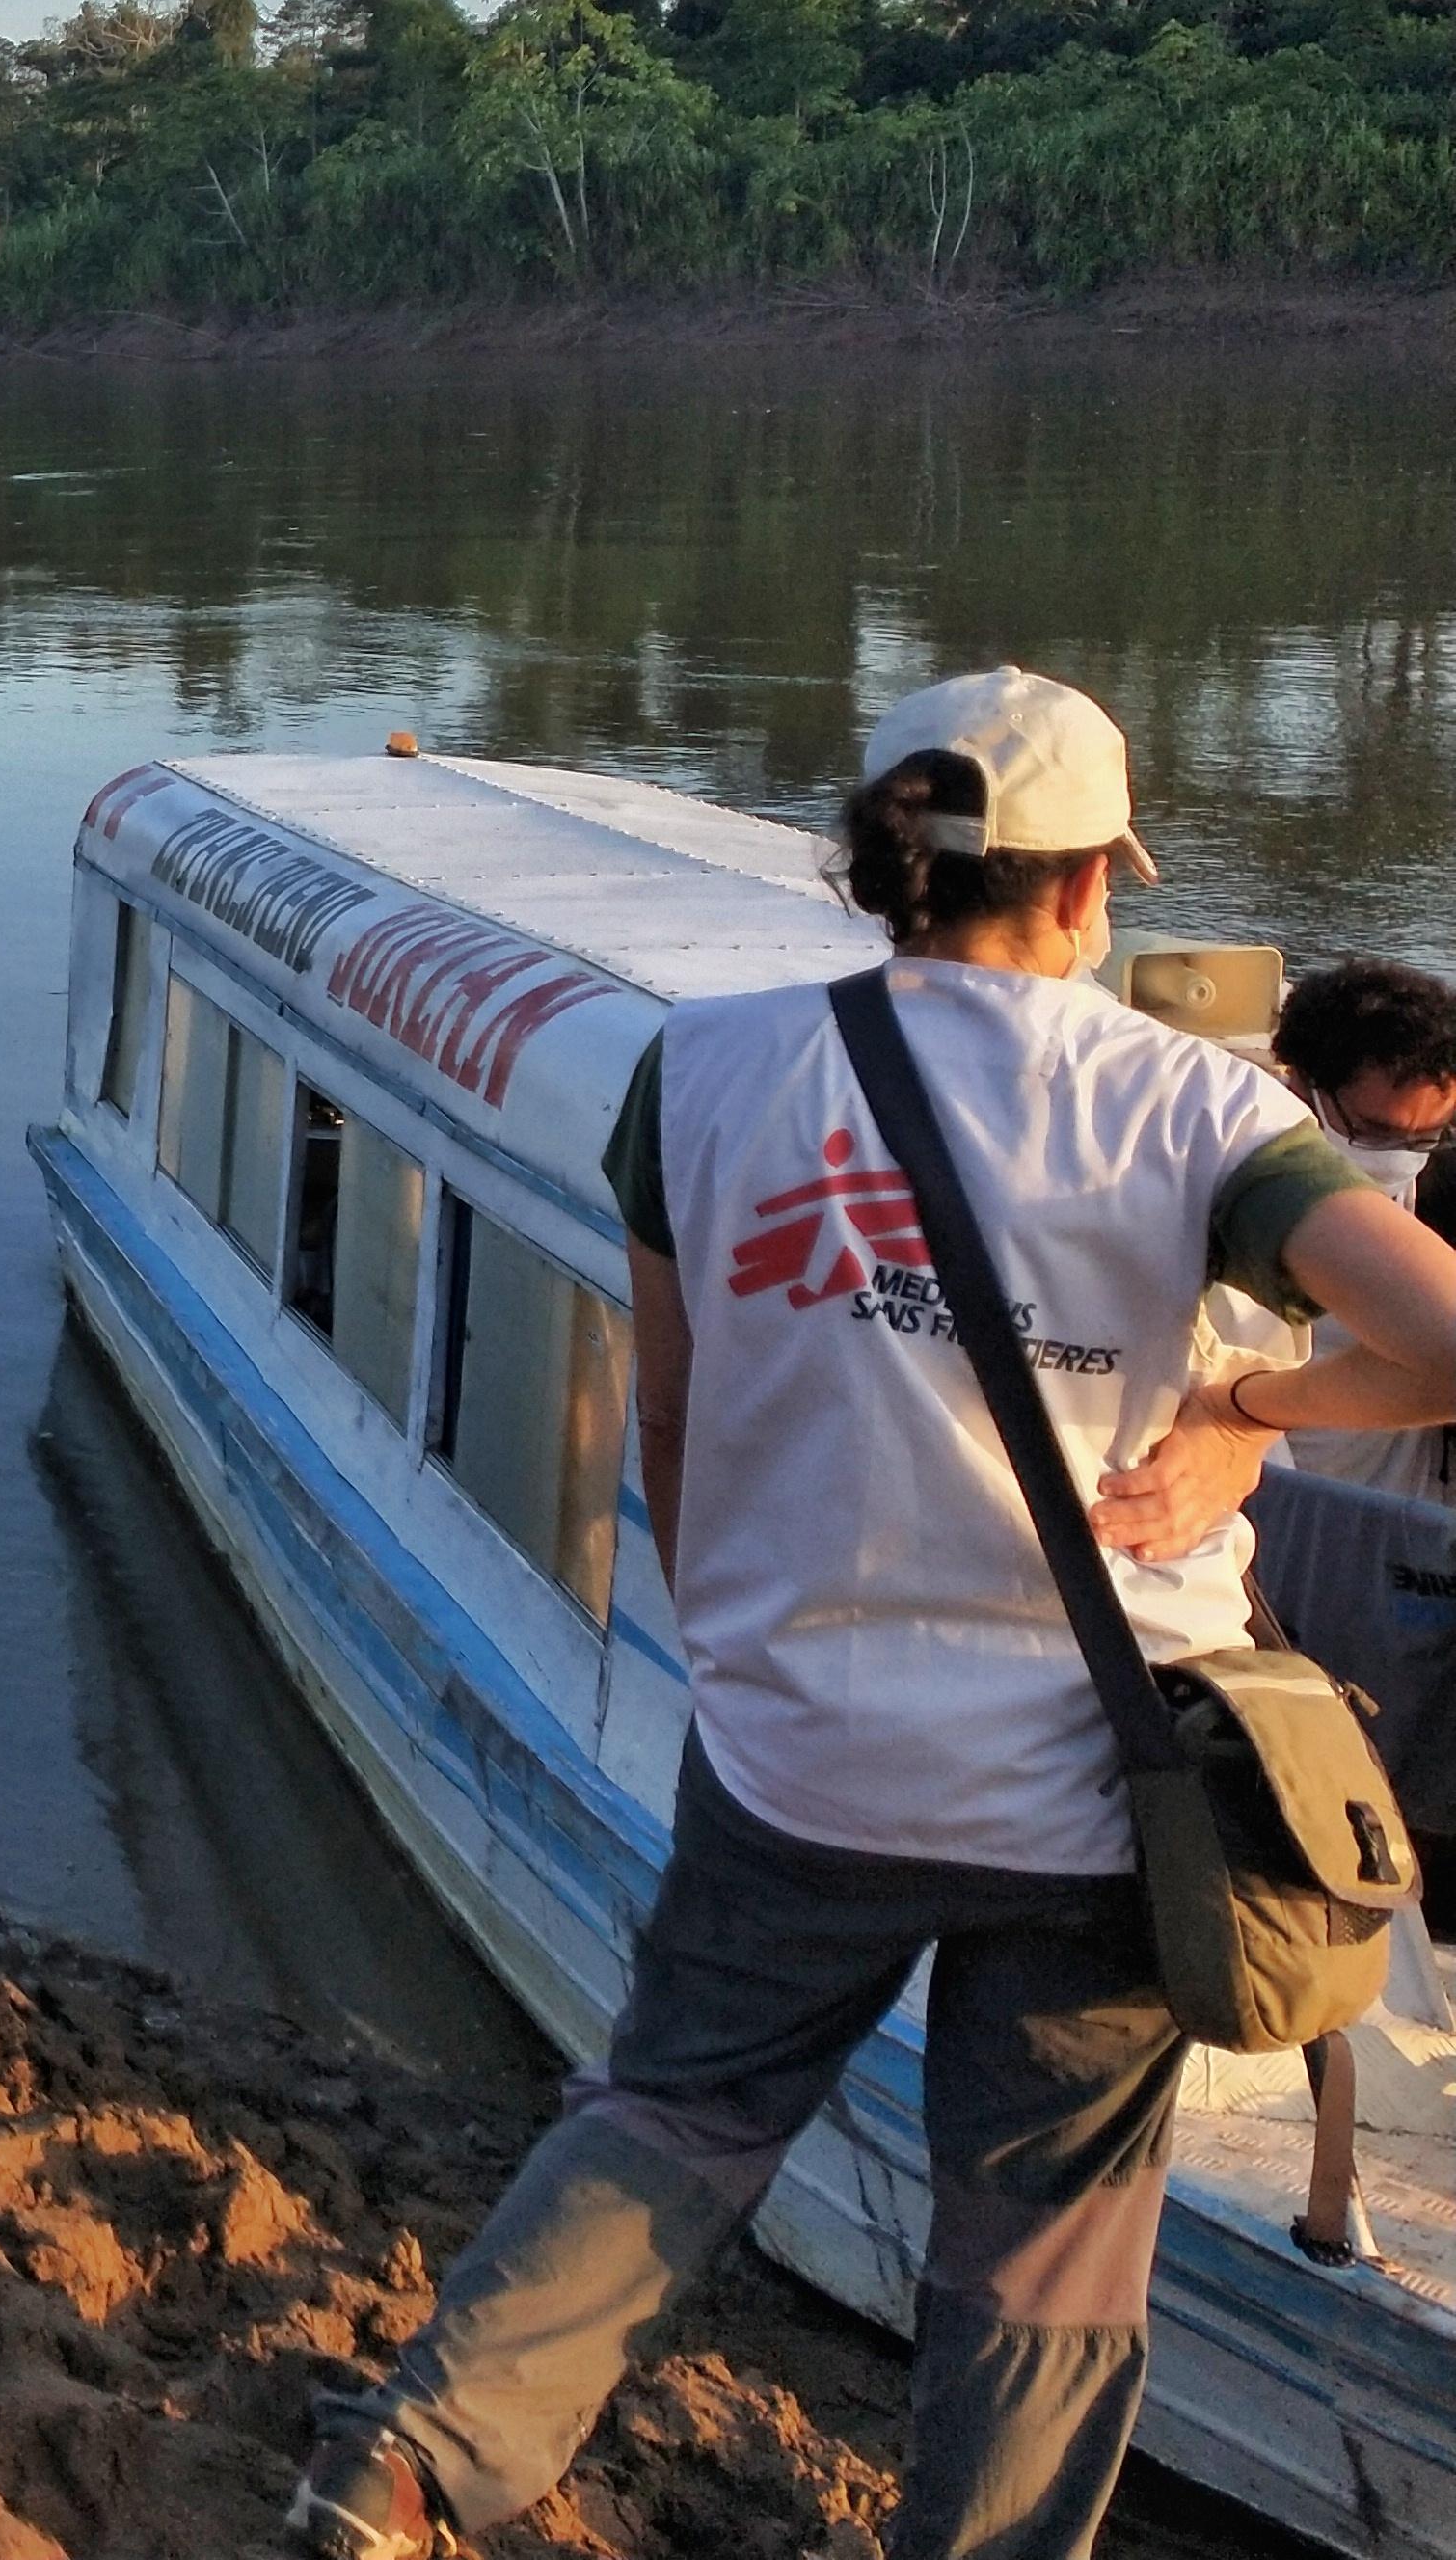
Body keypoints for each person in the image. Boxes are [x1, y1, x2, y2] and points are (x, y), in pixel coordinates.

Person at [283, 666, 1456, 2560]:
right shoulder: (1197, 1112)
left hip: (798, 1757)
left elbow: (668, 1413)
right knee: (1041, 2252)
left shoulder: (708, 1070)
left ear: (878, 867)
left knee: (675, 2120)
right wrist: (1254, 1412)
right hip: (1104, 1785)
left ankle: (408, 2466)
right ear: (1088, 893)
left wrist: (749, 1638)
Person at [1259, 958, 1456, 1501]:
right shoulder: (1213, 1187)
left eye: (1428, 1138)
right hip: (1254, 1502)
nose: (1400, 1158)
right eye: (1374, 1132)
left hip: (1402, 1520)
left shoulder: (1444, 1199)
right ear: (1302, 1083)